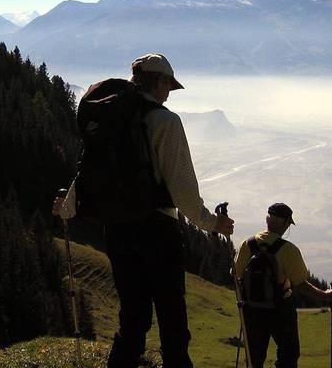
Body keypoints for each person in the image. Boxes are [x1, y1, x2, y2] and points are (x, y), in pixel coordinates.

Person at [53, 53, 234, 368]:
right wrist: (211, 223)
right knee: (171, 316)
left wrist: (67, 208)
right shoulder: (165, 121)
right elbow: (183, 190)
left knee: (133, 316)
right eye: (169, 86)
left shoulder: (112, 117)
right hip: (158, 229)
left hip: (118, 229)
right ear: (160, 81)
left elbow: (89, 169)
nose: (169, 93)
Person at [233, 203, 332, 368]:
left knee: (254, 357)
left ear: (268, 219)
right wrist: (325, 295)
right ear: (285, 223)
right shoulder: (289, 250)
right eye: (289, 223)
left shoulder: (247, 244)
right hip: (281, 309)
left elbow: (236, 276)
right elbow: (301, 284)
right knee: (288, 355)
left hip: (252, 310)